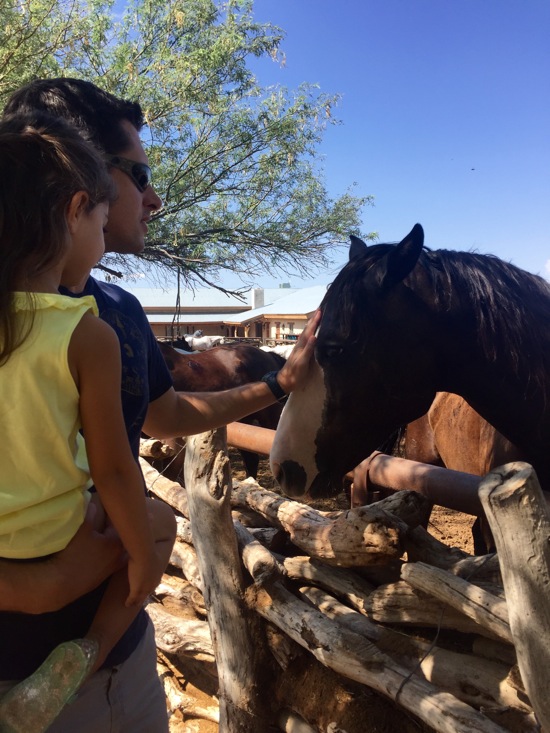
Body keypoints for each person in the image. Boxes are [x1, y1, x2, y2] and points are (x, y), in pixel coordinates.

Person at [0, 78, 319, 732]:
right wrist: (32, 585)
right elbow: (119, 473)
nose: (153, 197)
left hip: (128, 663)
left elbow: (165, 414)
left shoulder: (115, 313)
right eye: (138, 173)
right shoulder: (86, 331)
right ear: (78, 177)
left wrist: (278, 385)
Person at [0, 112, 177, 733]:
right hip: (58, 532)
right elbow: (113, 466)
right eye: (102, 222)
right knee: (159, 524)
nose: (104, 239)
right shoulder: (86, 332)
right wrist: (144, 555)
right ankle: (85, 654)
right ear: (77, 211)